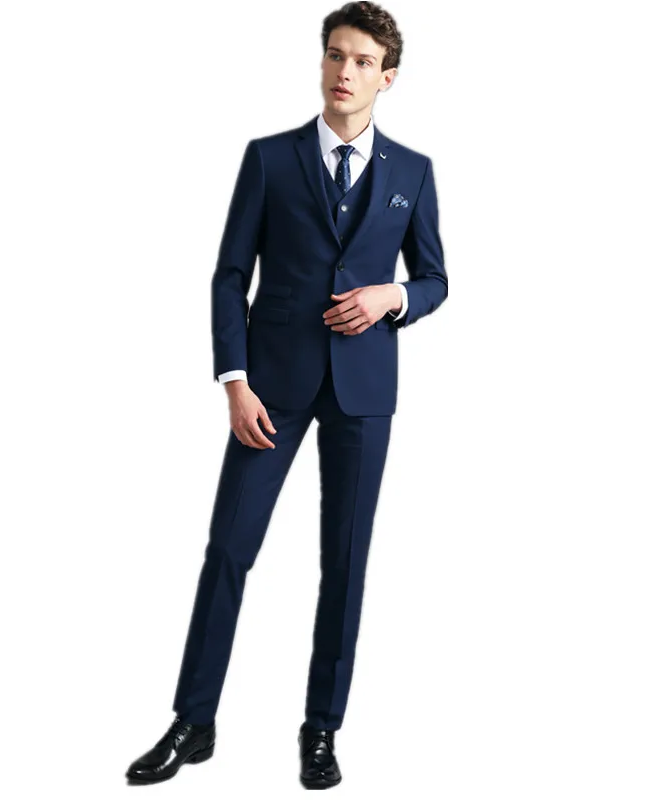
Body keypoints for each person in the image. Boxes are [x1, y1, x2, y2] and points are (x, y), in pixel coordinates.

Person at [125, 1, 447, 789]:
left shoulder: (412, 172)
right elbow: (230, 276)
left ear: (388, 77)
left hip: (364, 391)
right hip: (269, 389)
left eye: (363, 61)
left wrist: (393, 297)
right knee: (229, 550)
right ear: (321, 60)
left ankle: (321, 729)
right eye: (336, 54)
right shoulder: (270, 159)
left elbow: (436, 279)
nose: (345, 71)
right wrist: (234, 381)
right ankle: (194, 721)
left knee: (346, 563)